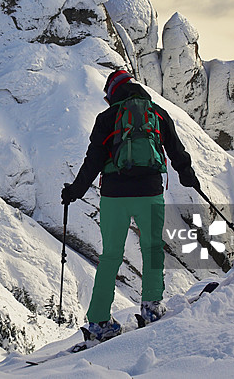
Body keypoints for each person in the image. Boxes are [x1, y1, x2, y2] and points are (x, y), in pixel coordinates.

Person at [61, 69, 200, 342]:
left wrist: (74, 191)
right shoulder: (156, 113)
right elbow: (175, 148)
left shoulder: (107, 117)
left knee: (111, 255)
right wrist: (187, 174)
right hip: (149, 192)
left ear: (113, 93)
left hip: (114, 196)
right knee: (152, 247)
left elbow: (93, 161)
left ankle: (100, 321)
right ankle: (151, 307)